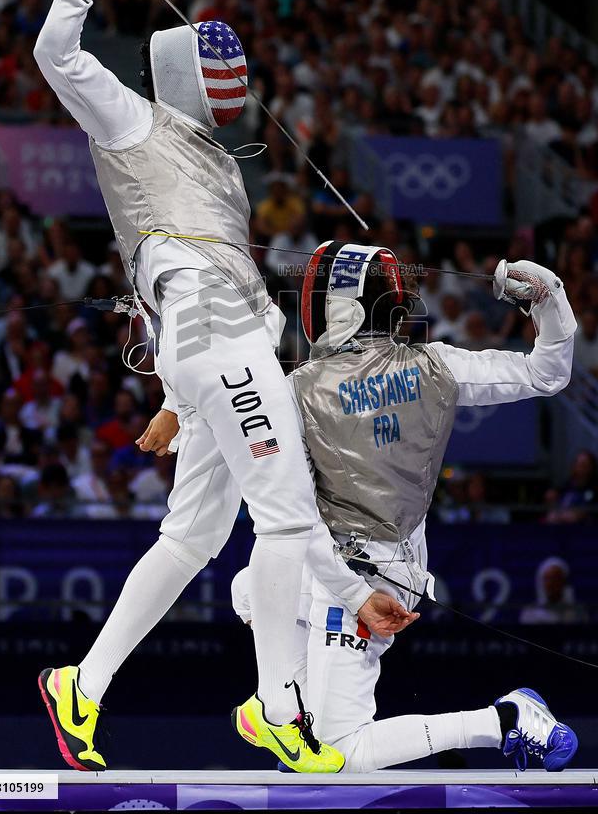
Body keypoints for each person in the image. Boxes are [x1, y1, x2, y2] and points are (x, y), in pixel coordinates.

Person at [33, 0, 409, 774]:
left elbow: (172, 286)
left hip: (220, 345)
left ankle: (80, 687)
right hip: (222, 341)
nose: (234, 87)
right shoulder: (133, 119)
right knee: (279, 516)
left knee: (195, 534)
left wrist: (178, 396)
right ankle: (277, 709)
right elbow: (54, 54)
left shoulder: (224, 168)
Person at [230, 243, 579, 772]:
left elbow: (288, 513)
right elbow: (546, 373)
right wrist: (550, 300)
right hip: (353, 565)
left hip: (365, 581)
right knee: (251, 592)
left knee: (339, 756)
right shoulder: (436, 366)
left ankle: (506, 720)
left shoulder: (296, 391)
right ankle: (289, 712)